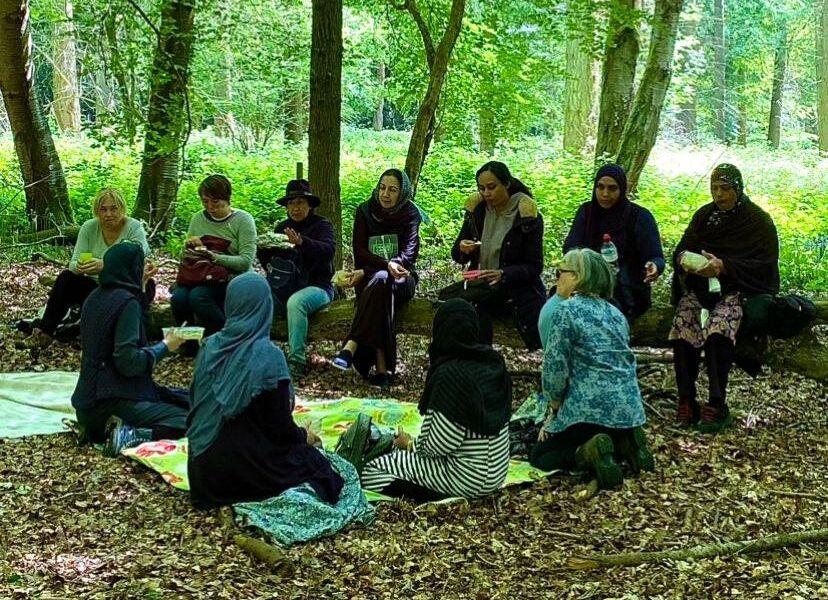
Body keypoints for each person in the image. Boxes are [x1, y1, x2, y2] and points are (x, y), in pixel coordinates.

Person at [187, 272, 344, 508]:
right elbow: (279, 429)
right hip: (242, 472)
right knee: (318, 466)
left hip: (202, 476)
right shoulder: (268, 358)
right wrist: (305, 436)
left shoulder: (209, 347)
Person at [360, 299, 512, 502]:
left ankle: (438, 496)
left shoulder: (452, 374)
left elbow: (440, 444)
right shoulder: (492, 362)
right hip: (496, 472)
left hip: (468, 478)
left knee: (372, 470)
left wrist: (409, 445)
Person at [529, 248, 653, 490]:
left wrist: (554, 408)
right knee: (604, 431)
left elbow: (555, 366)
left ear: (577, 277)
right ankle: (625, 443)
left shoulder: (566, 310)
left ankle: (587, 453)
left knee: (541, 454)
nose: (557, 278)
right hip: (629, 409)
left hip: (588, 410)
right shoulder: (616, 314)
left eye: (561, 272)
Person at [669, 163, 779, 433]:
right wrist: (685, 259)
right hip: (701, 289)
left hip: (736, 291)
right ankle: (686, 399)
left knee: (718, 331)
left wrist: (725, 266)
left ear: (738, 189)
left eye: (725, 188)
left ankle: (716, 404)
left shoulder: (757, 221)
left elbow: (765, 266)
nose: (719, 194)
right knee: (682, 327)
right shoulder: (705, 217)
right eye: (714, 188)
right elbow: (682, 248)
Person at [70, 242, 189, 456]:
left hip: (87, 406)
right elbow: (128, 362)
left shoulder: (95, 296)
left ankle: (106, 429)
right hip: (111, 401)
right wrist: (165, 346)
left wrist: (141, 285)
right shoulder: (126, 302)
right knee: (191, 419)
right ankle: (130, 436)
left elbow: (135, 324)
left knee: (183, 398)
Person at [21, 188, 154, 347]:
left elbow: (140, 262)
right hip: (96, 287)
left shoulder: (133, 227)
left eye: (114, 209)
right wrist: (81, 267)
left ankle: (97, 332)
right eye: (103, 209)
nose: (108, 214)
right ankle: (45, 333)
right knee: (66, 278)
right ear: (97, 211)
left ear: (122, 209)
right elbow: (73, 264)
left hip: (125, 287)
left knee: (149, 286)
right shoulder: (89, 227)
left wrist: (105, 265)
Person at [330, 168, 422, 387]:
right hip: (371, 279)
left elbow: (408, 255)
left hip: (402, 277)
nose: (385, 194)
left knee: (382, 280)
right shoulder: (365, 211)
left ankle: (352, 344)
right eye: (382, 188)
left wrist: (374, 270)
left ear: (402, 193)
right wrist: (383, 266)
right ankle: (382, 369)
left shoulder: (411, 214)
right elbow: (360, 251)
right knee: (381, 281)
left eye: (392, 190)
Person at [444, 161, 545, 349]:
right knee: (451, 305)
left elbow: (534, 266)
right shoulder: (477, 212)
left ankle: (482, 358)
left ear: (506, 184)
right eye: (481, 188)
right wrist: (463, 248)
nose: (486, 193)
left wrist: (503, 274)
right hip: (481, 285)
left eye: (492, 187)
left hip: (515, 290)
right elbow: (457, 255)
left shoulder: (527, 215)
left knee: (477, 308)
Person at [563, 163, 665, 322]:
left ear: (622, 189)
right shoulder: (587, 213)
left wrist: (654, 266)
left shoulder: (639, 217)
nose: (605, 194)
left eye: (612, 188)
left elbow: (656, 256)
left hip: (628, 291)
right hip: (588, 286)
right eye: (600, 187)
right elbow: (570, 248)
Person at [257, 179, 335, 378]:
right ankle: (257, 354)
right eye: (291, 203)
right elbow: (272, 265)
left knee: (296, 302)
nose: (295, 208)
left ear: (310, 205)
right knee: (258, 294)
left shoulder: (322, 225)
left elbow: (328, 251)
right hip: (284, 288)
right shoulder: (281, 228)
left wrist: (302, 242)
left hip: (318, 287)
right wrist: (263, 250)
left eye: (300, 202)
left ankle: (296, 361)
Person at [171, 174, 257, 344]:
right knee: (178, 298)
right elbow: (186, 256)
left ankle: (228, 339)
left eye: (215, 202)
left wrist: (214, 257)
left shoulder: (243, 220)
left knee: (198, 297)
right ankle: (190, 346)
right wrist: (192, 247)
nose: (210, 206)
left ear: (227, 199)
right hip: (200, 273)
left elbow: (245, 262)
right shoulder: (198, 218)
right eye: (205, 201)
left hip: (231, 276)